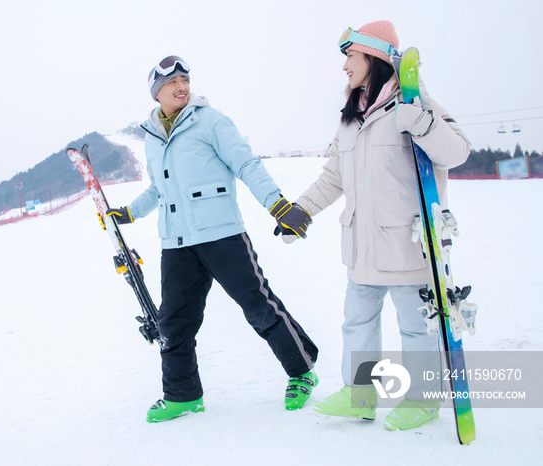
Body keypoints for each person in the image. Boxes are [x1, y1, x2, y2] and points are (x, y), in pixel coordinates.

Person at [105, 55, 319, 423]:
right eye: (172, 83)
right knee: (174, 323)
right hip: (176, 242)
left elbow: (246, 164)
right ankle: (182, 394)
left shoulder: (212, 121)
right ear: (157, 93)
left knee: (258, 306)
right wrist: (129, 213)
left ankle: (302, 371)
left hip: (221, 234)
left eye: (185, 79)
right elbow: (158, 188)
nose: (181, 86)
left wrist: (279, 206)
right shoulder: (154, 137)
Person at [285, 21, 471, 431]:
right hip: (362, 243)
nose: (345, 67)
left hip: (406, 242)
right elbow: (335, 174)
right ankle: (360, 395)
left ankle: (423, 399)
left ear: (373, 56)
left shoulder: (414, 102)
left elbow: (457, 153)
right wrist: (303, 209)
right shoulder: (351, 116)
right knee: (357, 321)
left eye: (350, 57)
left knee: (414, 327)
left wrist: (421, 122)